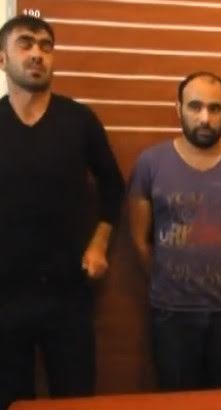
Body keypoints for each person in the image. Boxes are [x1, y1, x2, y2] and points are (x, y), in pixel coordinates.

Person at [0, 15, 125, 409]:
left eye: (46, 46)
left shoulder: (79, 120)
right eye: (25, 43)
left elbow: (113, 187)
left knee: (75, 399)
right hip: (4, 294)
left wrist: (99, 245)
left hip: (68, 291)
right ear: (2, 59)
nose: (37, 53)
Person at [128, 71, 221, 391]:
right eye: (195, 106)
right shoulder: (150, 164)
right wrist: (167, 282)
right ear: (178, 108)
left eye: (215, 108)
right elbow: (139, 240)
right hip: (171, 313)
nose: (205, 118)